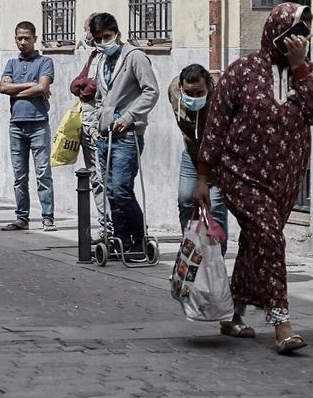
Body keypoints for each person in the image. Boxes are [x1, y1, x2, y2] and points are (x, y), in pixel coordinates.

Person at [194, 3, 313, 353]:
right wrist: (203, 177)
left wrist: (300, 70)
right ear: (278, 33)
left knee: (257, 242)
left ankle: (233, 312)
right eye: (295, 32)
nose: (301, 39)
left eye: (306, 33)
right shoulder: (242, 71)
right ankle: (281, 322)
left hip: (285, 178)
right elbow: (215, 126)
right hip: (241, 173)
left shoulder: (308, 72)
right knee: (270, 237)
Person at [90, 13, 159, 255]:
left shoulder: (135, 57)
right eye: (98, 39)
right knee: (109, 191)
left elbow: (151, 92)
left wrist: (129, 117)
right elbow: (100, 98)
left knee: (121, 189)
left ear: (117, 34)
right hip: (104, 135)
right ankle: (121, 241)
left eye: (107, 37)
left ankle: (140, 236)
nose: (103, 42)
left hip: (127, 136)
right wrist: (95, 126)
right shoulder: (101, 61)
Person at [0, 21, 56, 232]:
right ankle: (21, 217)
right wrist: (31, 86)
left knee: (42, 173)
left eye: (27, 38)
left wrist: (18, 90)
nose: (23, 42)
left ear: (35, 38)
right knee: (19, 175)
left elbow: (43, 86)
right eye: (19, 38)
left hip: (38, 124)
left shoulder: (45, 61)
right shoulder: (11, 64)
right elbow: (2, 88)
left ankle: (48, 217)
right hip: (16, 125)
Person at [168, 64, 228, 241]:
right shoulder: (173, 91)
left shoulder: (222, 98)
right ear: (181, 87)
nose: (194, 98)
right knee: (186, 201)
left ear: (209, 87)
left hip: (217, 160)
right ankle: (191, 248)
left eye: (200, 93)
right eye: (189, 93)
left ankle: (216, 258)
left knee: (215, 207)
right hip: (192, 154)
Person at [69, 15, 107, 241]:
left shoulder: (106, 56)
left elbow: (91, 87)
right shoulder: (93, 55)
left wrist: (83, 87)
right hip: (87, 121)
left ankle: (109, 227)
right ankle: (105, 225)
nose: (85, 35)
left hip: (98, 123)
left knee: (102, 177)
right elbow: (77, 82)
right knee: (94, 177)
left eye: (87, 30)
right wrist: (81, 86)